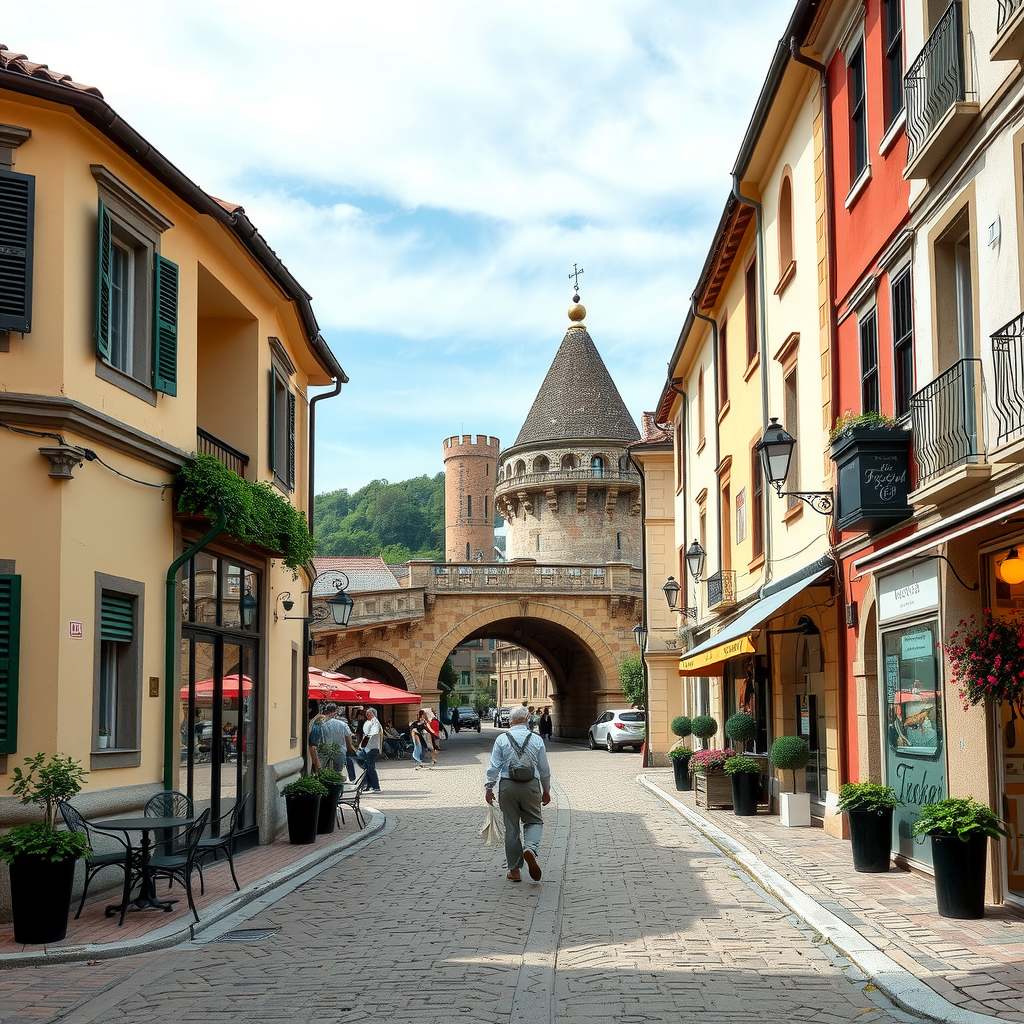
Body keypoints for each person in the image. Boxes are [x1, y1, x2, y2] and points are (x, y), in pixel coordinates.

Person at [485, 704, 551, 882]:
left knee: (512, 828)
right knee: (534, 820)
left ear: (510, 721)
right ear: (527, 719)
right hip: (531, 786)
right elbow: (545, 769)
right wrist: (546, 791)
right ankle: (530, 848)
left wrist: (489, 788)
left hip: (507, 786)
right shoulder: (536, 739)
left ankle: (514, 870)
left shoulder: (501, 739)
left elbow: (494, 767)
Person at [358, 708, 383, 791]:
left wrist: (365, 740)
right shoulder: (368, 722)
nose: (368, 715)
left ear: (374, 714)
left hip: (373, 748)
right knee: (366, 765)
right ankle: (369, 784)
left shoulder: (374, 722)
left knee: (370, 767)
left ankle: (375, 786)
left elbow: (373, 732)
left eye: (370, 714)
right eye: (367, 714)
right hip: (367, 748)